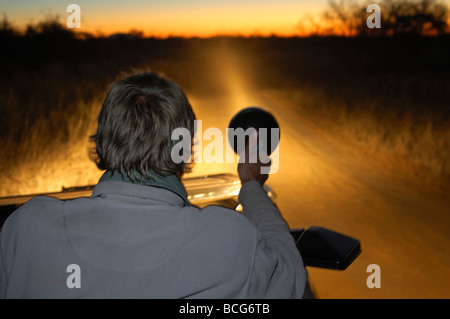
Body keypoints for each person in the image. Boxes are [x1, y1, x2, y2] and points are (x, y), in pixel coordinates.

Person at [0, 72, 306, 298]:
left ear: (103, 141)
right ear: (185, 149)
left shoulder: (26, 228)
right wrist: (251, 184)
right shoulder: (231, 240)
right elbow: (291, 279)